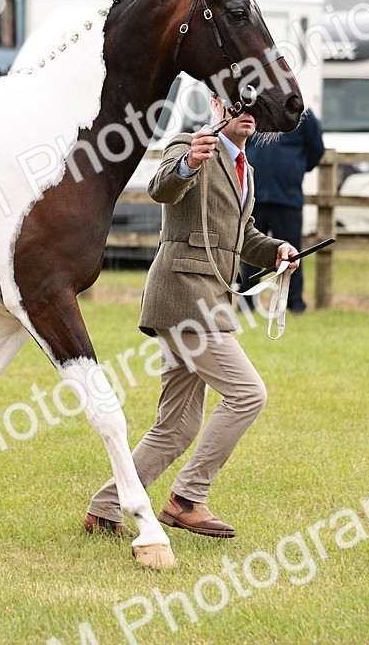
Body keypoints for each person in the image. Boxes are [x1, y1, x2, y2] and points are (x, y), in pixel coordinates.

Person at [83, 96, 299, 540]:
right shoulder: (189, 142)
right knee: (248, 394)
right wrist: (188, 164)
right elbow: (161, 188)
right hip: (183, 297)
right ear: (217, 103)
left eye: (255, 106)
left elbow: (242, 237)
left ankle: (105, 509)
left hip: (205, 300)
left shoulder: (246, 167)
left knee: (177, 428)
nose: (247, 112)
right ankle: (186, 499)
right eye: (237, 103)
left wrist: (275, 249)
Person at [240, 111, 325, 312]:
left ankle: (294, 303)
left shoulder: (302, 114)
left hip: (287, 198)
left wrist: (295, 168)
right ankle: (246, 302)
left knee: (291, 254)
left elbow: (316, 148)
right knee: (250, 251)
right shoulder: (254, 111)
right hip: (254, 197)